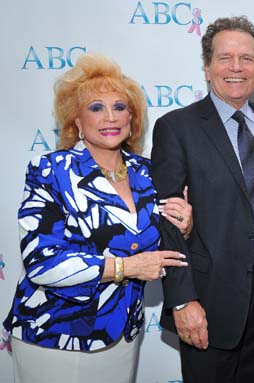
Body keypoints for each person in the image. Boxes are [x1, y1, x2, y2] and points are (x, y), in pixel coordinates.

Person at [2, 53, 191, 383]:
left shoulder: (147, 174)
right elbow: (42, 262)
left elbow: (157, 243)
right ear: (76, 120)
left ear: (133, 119)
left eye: (120, 107)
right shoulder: (50, 171)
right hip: (53, 333)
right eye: (96, 107)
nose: (110, 117)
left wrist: (184, 227)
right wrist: (126, 267)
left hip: (121, 336)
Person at [151, 16, 254, 383]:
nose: (236, 68)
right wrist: (181, 299)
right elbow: (168, 220)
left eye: (247, 58)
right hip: (209, 296)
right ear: (207, 68)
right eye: (225, 58)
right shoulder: (177, 127)